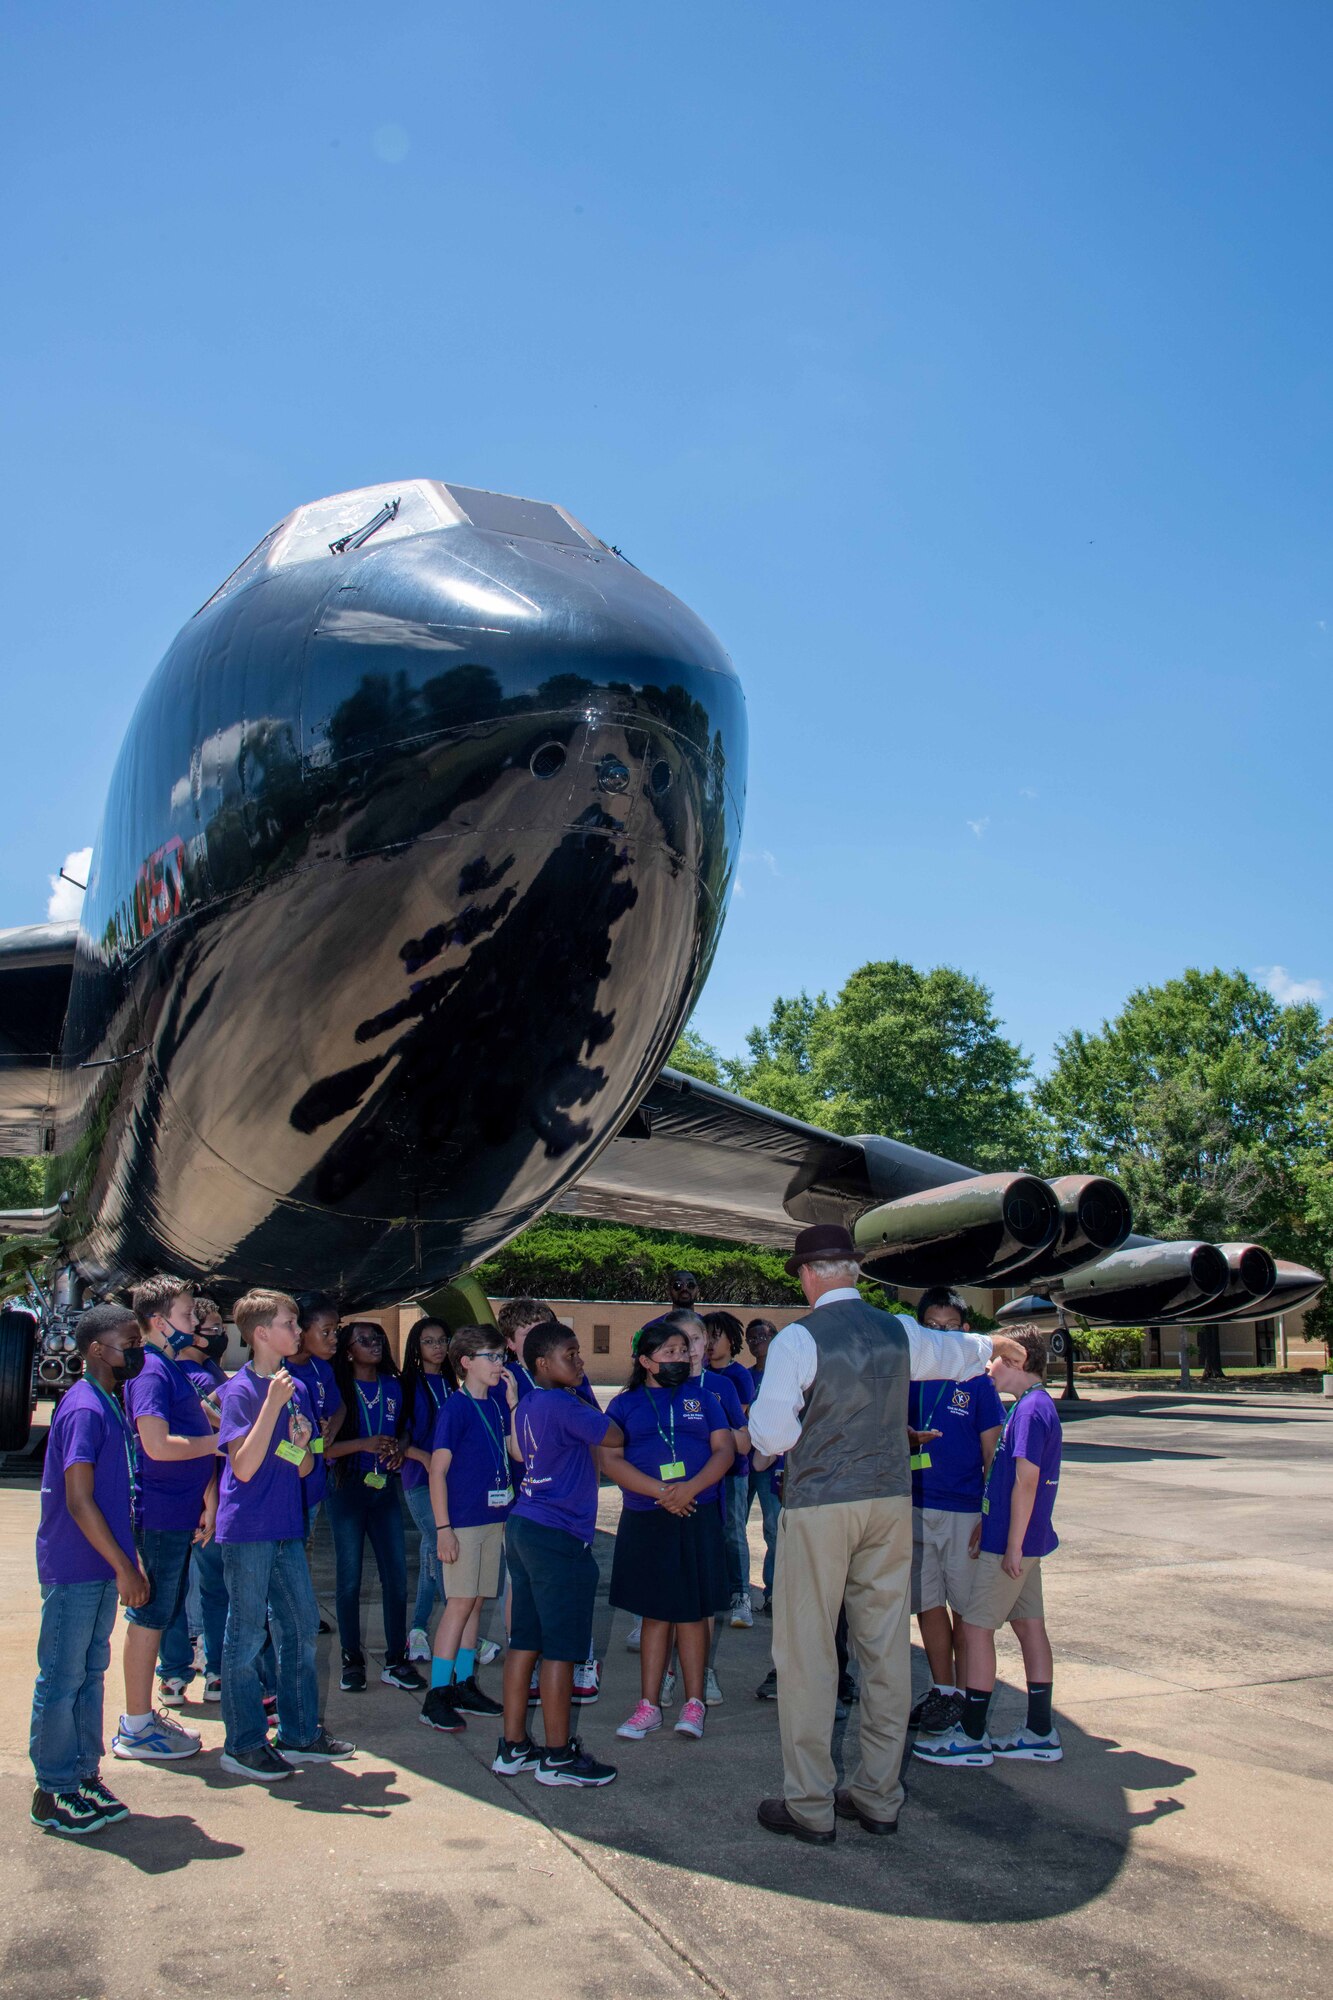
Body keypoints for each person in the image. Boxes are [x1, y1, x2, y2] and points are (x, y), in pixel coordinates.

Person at [747, 1222, 1025, 1844]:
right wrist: (995, 1342)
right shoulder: (896, 1330)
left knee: (808, 1652)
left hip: (821, 1503)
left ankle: (811, 1805)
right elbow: (956, 1353)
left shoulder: (798, 1339)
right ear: (854, 1271)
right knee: (883, 1648)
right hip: (891, 1503)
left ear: (808, 1274)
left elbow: (771, 1436)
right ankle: (877, 1795)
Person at [214, 1289, 354, 1780]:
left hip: (285, 1527)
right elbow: (245, 1467)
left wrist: (301, 1445)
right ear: (261, 1335)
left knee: (298, 1629)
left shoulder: (289, 1384)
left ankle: (298, 1734)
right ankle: (244, 1742)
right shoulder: (242, 1391)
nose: (298, 1333)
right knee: (246, 1636)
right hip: (250, 1531)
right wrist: (273, 1406)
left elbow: (301, 1465)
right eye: (290, 1325)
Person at [913, 1325, 1064, 1767]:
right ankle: (1040, 1730)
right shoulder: (1032, 1407)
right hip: (1021, 1538)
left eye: (994, 1358)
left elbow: (1026, 1480)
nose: (987, 1365)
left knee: (976, 1628)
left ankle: (972, 1736)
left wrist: (1011, 1543)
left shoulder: (1030, 1411)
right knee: (1029, 1625)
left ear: (1016, 1361)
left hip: (1011, 1544)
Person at [30, 1304, 149, 1835]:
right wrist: (124, 1568)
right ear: (97, 1350)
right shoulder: (82, 1408)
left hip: (103, 1567)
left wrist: (129, 1560)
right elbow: (79, 1501)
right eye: (130, 1344)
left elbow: (115, 1492)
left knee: (89, 1674)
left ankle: (82, 1773)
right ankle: (53, 1791)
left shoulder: (110, 1402)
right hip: (78, 1568)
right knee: (62, 1677)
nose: (138, 1353)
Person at [494, 1322, 622, 1787]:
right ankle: (557, 1755)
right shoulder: (566, 1405)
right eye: (571, 1354)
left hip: (525, 1524)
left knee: (525, 1641)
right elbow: (612, 1434)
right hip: (559, 1535)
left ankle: (513, 1746)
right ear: (544, 1363)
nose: (581, 1361)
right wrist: (584, 1393)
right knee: (561, 1652)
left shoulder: (529, 1402)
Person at [603, 1323, 733, 1744]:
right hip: (647, 1516)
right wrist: (662, 1492)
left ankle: (693, 1703)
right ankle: (648, 1706)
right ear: (645, 1361)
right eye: (669, 1352)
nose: (679, 1358)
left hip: (698, 1513)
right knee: (655, 1614)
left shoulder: (705, 1399)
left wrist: (689, 1489)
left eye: (683, 1351)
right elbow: (611, 1460)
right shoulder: (624, 1406)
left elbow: (724, 1450)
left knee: (694, 1614)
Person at [113, 1275, 219, 1764]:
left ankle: (142, 1719)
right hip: (157, 1515)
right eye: (185, 1314)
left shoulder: (169, 1366)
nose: (194, 1321)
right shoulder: (153, 1372)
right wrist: (219, 1444)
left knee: (159, 1613)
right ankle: (136, 1726)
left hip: (177, 1512)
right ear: (157, 1322)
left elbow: (204, 1417)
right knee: (150, 1617)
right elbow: (156, 1446)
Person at [906, 1285, 1005, 1737]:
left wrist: (990, 1516)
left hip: (964, 1511)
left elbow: (993, 1455)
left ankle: (968, 1696)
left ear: (967, 1333)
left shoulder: (979, 1384)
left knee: (966, 1609)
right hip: (914, 1505)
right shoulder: (909, 1376)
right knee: (928, 1603)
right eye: (932, 1328)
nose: (942, 1336)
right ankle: (942, 1690)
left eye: (950, 1329)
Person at [419, 1326, 517, 1732]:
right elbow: (437, 1471)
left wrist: (513, 1405)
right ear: (466, 1363)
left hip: (494, 1518)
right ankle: (436, 1695)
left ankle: (463, 1682)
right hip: (462, 1523)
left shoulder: (496, 1404)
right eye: (490, 1357)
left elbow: (515, 1452)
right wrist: (444, 1528)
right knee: (458, 1604)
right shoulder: (455, 1408)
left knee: (476, 1602)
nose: (499, 1364)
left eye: (500, 1357)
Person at [325, 1322, 424, 1693]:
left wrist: (400, 1447)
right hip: (347, 1489)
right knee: (348, 1580)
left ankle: (396, 1659)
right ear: (348, 1351)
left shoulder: (394, 1386)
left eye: (378, 1338)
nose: (374, 1344)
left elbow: (405, 1429)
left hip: (385, 1492)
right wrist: (363, 1444)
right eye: (364, 1340)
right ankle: (352, 1659)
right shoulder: (337, 1389)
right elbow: (323, 1450)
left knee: (396, 1577)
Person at [157, 1296, 232, 1707]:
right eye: (212, 1328)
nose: (220, 1336)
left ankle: (175, 1673)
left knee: (185, 1587)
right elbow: (211, 1441)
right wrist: (211, 1500)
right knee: (206, 1587)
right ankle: (205, 1670)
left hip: (202, 1494)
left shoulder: (207, 1370)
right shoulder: (195, 1378)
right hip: (203, 1495)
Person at [398, 1318, 455, 1662]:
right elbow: (400, 1438)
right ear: (416, 1348)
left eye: (441, 1340)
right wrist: (427, 1460)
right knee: (443, 1550)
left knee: (431, 1555)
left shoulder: (452, 1383)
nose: (437, 1347)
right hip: (420, 1481)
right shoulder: (407, 1384)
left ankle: (418, 1630)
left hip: (449, 1483)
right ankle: (460, 1631)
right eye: (428, 1341)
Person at [702, 1310, 756, 1628]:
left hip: (733, 1471)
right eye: (704, 1336)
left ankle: (741, 1596)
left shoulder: (737, 1377)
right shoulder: (698, 1376)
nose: (709, 1342)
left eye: (715, 1336)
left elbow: (738, 1428)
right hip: (704, 1471)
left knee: (734, 1532)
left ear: (731, 1340)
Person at [744, 1319, 782, 1618]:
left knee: (773, 1530)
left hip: (771, 1463)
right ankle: (737, 1592)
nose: (758, 1340)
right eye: (752, 1337)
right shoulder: (744, 1378)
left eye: (764, 1334)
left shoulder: (785, 1376)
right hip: (744, 1464)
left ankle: (772, 1593)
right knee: (733, 1527)